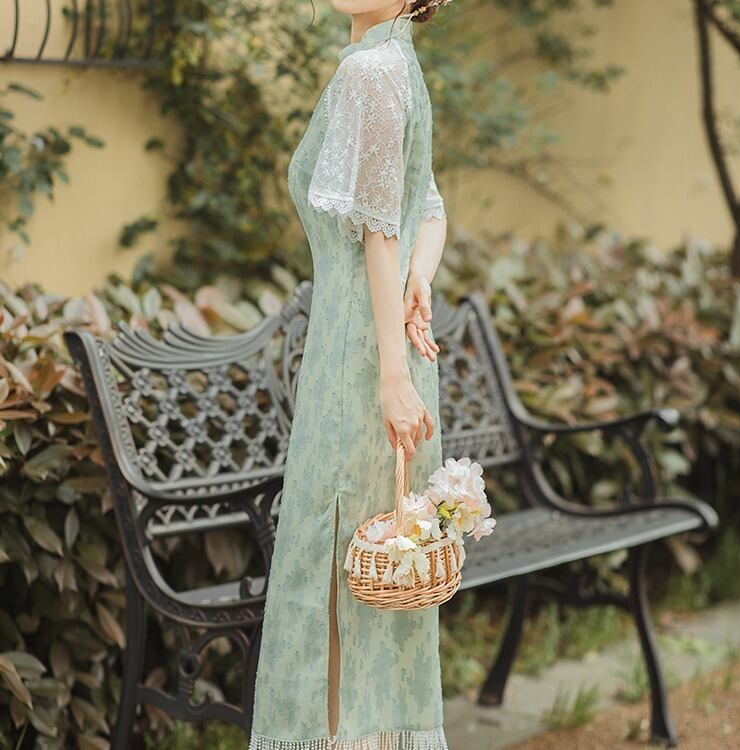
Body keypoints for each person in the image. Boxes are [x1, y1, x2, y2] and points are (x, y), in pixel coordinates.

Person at [248, 1, 450, 748]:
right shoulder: (397, 66)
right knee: (371, 580)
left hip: (360, 358)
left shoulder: (373, 72)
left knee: (333, 579)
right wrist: (419, 282)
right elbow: (429, 211)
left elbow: (382, 230)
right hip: (383, 342)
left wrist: (391, 377)